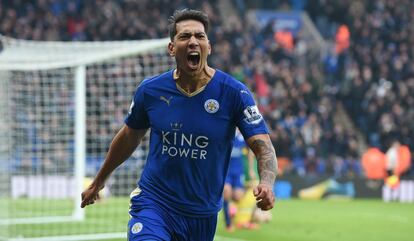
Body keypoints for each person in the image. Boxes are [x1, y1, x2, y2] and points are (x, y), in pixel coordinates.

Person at [81, 9, 277, 241]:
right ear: (171, 48)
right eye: (184, 36)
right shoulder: (151, 91)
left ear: (209, 47)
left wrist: (266, 182)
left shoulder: (235, 93)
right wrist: (98, 181)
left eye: (200, 36)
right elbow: (128, 137)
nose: (193, 41)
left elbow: (263, 146)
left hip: (202, 215)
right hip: (154, 203)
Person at [222, 129, 256, 231]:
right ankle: (228, 224)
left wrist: (251, 169)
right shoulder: (225, 134)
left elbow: (251, 150)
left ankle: (233, 210)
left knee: (237, 196)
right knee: (226, 192)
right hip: (226, 171)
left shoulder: (242, 138)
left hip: (238, 172)